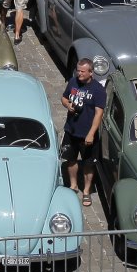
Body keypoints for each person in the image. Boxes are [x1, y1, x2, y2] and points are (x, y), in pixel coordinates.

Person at [61, 59, 105, 206]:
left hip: (87, 134)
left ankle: (86, 191)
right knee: (70, 160)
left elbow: (99, 114)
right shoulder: (73, 82)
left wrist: (91, 133)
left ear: (91, 72)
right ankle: (73, 185)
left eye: (82, 71)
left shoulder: (98, 90)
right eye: (78, 70)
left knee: (88, 164)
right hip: (71, 130)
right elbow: (64, 97)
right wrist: (67, 105)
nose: (79, 73)